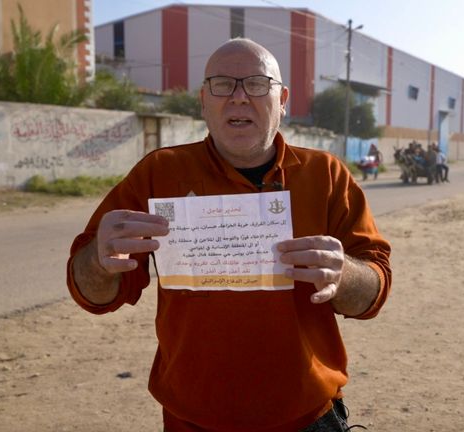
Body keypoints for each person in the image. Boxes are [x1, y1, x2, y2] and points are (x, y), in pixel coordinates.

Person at [66, 38, 391, 432]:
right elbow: (94, 295)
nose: (238, 98)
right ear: (204, 100)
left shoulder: (326, 175)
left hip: (307, 417)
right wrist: (101, 262)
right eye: (222, 84)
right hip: (193, 421)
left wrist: (344, 275)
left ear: (282, 99)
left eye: (257, 83)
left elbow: (372, 294)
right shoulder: (159, 174)